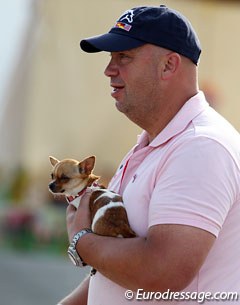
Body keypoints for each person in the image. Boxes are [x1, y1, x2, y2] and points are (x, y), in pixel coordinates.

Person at [59, 5, 240, 305]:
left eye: (124, 56)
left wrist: (81, 241)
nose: (109, 69)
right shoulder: (155, 145)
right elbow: (115, 275)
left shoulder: (202, 147)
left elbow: (162, 271)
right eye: (110, 58)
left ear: (169, 65)